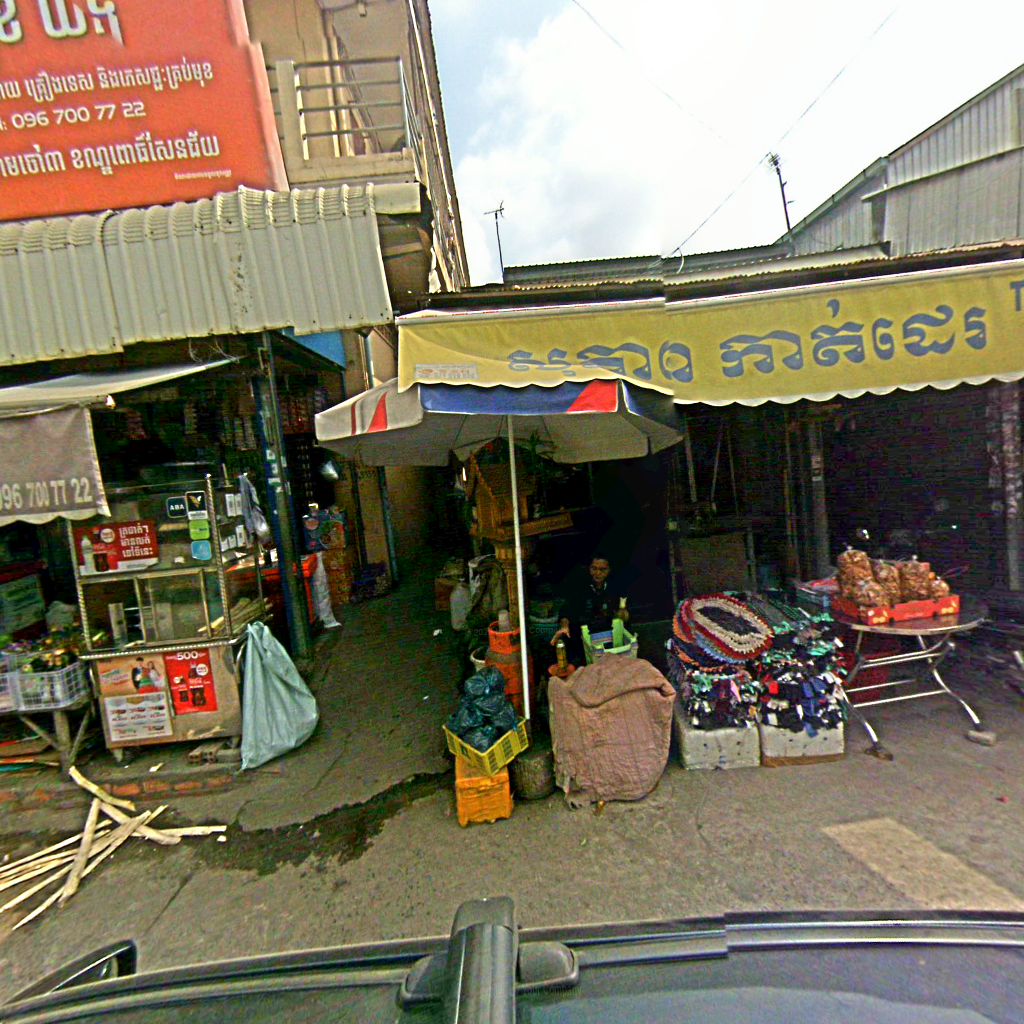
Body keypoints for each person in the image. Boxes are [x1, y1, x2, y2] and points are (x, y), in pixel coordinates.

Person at [551, 554, 629, 667]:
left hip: (608, 637)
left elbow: (623, 615)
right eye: (594, 568)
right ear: (589, 569)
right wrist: (564, 626)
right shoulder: (579, 587)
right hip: (584, 638)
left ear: (609, 570)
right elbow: (566, 611)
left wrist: (622, 614)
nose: (597, 573)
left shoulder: (615, 587)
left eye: (603, 569)